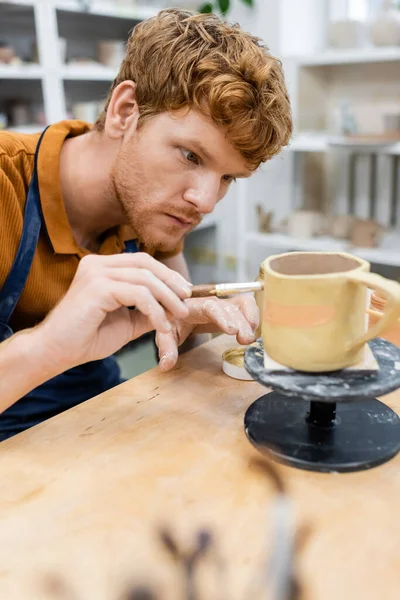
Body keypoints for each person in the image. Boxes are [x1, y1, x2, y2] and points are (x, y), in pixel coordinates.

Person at [0, 9, 292, 440]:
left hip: (95, 421)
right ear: (125, 111)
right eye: (191, 156)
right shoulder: (7, 181)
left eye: (228, 177)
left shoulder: (155, 209)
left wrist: (197, 319)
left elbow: (181, 343)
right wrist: (48, 347)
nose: (206, 201)